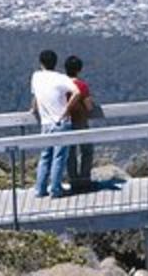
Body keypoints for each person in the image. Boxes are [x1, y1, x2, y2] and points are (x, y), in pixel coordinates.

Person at [31, 50, 82, 198]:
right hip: (62, 122)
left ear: (41, 63)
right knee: (59, 157)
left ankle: (40, 189)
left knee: (45, 155)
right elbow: (77, 92)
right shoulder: (61, 78)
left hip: (46, 122)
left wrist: (34, 109)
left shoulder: (36, 77)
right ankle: (55, 189)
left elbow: (35, 96)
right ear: (55, 63)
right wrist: (67, 110)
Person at [64, 55, 95, 194]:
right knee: (86, 151)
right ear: (79, 70)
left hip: (66, 123)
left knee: (70, 154)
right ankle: (84, 180)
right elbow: (89, 106)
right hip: (81, 122)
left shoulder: (61, 85)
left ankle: (73, 181)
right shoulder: (81, 86)